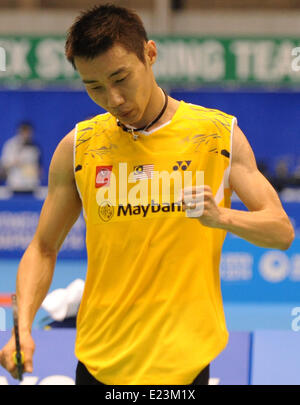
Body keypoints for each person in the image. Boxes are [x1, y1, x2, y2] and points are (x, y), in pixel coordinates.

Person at [0, 4, 294, 385]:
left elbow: (281, 230)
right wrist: (21, 328)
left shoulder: (218, 136)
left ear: (150, 53)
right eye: (95, 87)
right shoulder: (78, 148)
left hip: (183, 369)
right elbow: (42, 248)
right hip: (99, 364)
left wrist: (222, 217)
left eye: (121, 78)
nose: (114, 99)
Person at [0, 121, 42, 194]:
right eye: (24, 131)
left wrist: (37, 172)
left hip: (31, 186)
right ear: (19, 131)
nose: (26, 135)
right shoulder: (10, 145)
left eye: (28, 132)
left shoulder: (35, 147)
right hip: (15, 186)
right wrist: (15, 162)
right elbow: (3, 166)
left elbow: (39, 167)